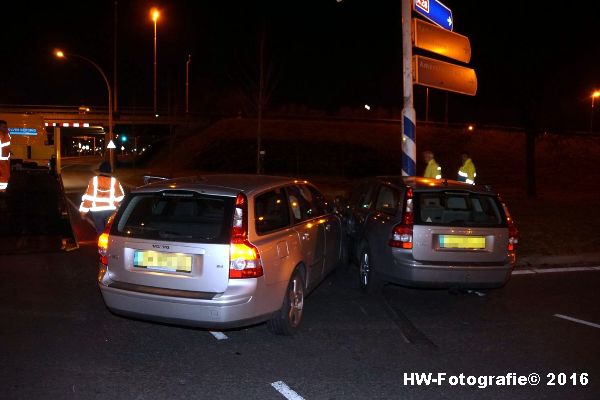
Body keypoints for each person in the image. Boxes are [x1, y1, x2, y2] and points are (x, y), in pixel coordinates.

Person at [79, 161, 125, 234]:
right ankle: (109, 244)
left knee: (100, 231)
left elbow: (89, 197)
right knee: (109, 231)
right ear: (110, 171)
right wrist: (116, 204)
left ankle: (102, 244)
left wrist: (83, 211)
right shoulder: (114, 181)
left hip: (96, 211)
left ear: (100, 170)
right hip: (110, 210)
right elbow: (120, 196)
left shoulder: (94, 180)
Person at [0, 120, 11, 192]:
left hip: (4, 162)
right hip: (1, 162)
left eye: (6, 126)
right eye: (4, 127)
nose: (6, 128)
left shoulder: (5, 135)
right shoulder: (2, 136)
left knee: (5, 177)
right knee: (3, 178)